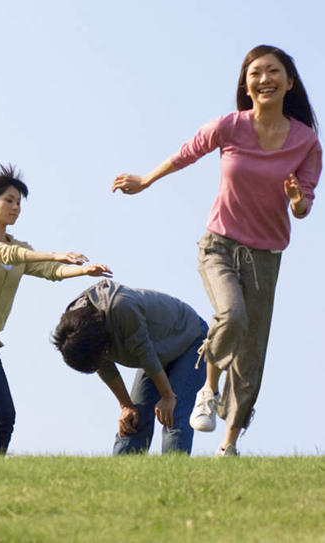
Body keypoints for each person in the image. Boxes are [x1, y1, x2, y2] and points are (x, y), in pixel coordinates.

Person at [112, 45, 321, 456]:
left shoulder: (305, 142)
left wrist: (297, 200)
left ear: (289, 82)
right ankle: (207, 389)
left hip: (265, 256)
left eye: (273, 72)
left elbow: (304, 205)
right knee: (232, 315)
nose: (264, 79)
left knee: (251, 353)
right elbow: (186, 153)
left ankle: (229, 443)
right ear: (246, 84)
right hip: (219, 245)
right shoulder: (230, 126)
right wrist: (145, 180)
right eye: (255, 73)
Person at [0, 164, 112, 455]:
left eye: (19, 202)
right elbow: (5, 253)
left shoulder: (20, 247)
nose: (16, 207)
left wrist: (83, 270)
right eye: (9, 200)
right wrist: (55, 253)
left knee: (5, 415)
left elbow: (50, 270)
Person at [52, 280, 208, 455]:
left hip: (189, 338)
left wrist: (168, 396)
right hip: (155, 351)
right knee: (134, 419)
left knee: (174, 413)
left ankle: (173, 472)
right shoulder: (76, 333)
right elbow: (104, 366)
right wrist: (126, 406)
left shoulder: (121, 307)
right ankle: (120, 473)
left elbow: (146, 354)